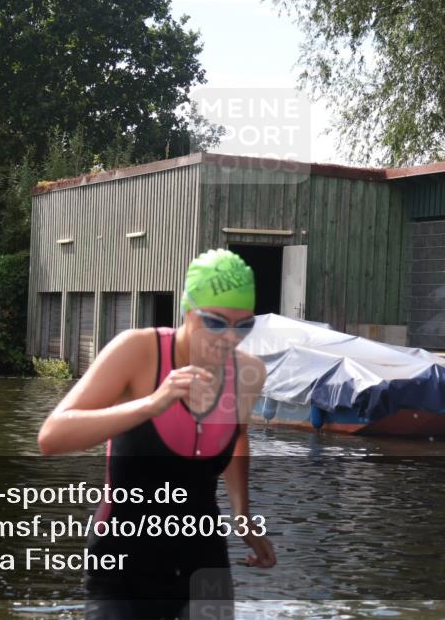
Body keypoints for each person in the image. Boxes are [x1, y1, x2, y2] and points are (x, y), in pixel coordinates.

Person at [39, 249, 276, 619]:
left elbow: (237, 436)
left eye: (243, 326)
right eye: (215, 322)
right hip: (121, 563)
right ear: (187, 311)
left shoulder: (247, 374)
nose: (229, 338)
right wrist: (152, 403)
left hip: (203, 562)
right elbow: (51, 436)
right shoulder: (137, 351)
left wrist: (242, 514)